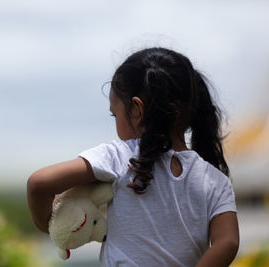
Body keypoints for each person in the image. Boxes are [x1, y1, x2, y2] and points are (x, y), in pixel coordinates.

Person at [27, 47, 239, 266]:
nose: (115, 120)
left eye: (114, 113)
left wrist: (49, 225)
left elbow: (39, 183)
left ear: (137, 110)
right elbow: (228, 242)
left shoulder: (120, 156)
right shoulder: (216, 181)